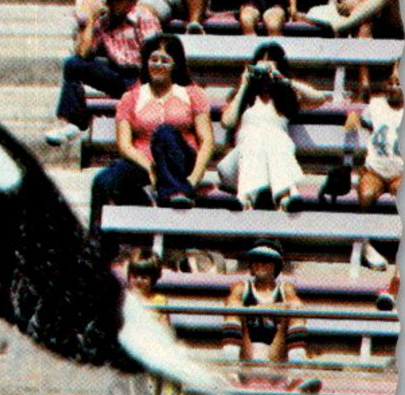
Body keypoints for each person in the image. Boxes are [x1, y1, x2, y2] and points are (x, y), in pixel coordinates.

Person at [90, 34, 215, 247]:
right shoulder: (131, 98)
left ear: (175, 65)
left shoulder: (191, 94)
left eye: (165, 60)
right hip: (145, 162)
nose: (158, 65)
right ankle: (100, 244)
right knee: (103, 181)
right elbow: (124, 144)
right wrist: (149, 167)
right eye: (154, 59)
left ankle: (175, 193)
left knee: (165, 132)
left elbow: (207, 141)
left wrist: (193, 179)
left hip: (180, 161)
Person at [44, 0, 160, 147]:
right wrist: (90, 21)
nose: (115, 3)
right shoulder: (104, 22)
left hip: (142, 75)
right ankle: (71, 122)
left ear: (132, 0)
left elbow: (154, 54)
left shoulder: (144, 18)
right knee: (73, 65)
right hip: (117, 74)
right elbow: (83, 54)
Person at [217, 42, 329, 211]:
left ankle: (249, 199)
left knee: (273, 137)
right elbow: (227, 122)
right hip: (238, 167)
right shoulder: (243, 97)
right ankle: (287, 194)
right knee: (257, 137)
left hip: (271, 169)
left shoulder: (285, 99)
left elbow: (319, 98)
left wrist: (284, 80)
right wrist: (244, 85)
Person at [222, 240, 321, 392]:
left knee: (295, 310)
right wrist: (272, 309)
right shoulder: (242, 287)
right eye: (256, 261)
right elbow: (231, 304)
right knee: (234, 309)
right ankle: (229, 374)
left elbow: (295, 306)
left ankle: (295, 376)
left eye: (265, 261)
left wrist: (255, 309)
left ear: (275, 265)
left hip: (275, 354)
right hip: (247, 354)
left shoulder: (285, 288)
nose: (259, 266)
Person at [348, 67, 403, 268]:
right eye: (390, 82)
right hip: (376, 170)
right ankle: (365, 243)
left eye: (398, 83)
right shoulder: (376, 104)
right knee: (366, 193)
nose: (394, 87)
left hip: (401, 173)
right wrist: (353, 114)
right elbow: (360, 116)